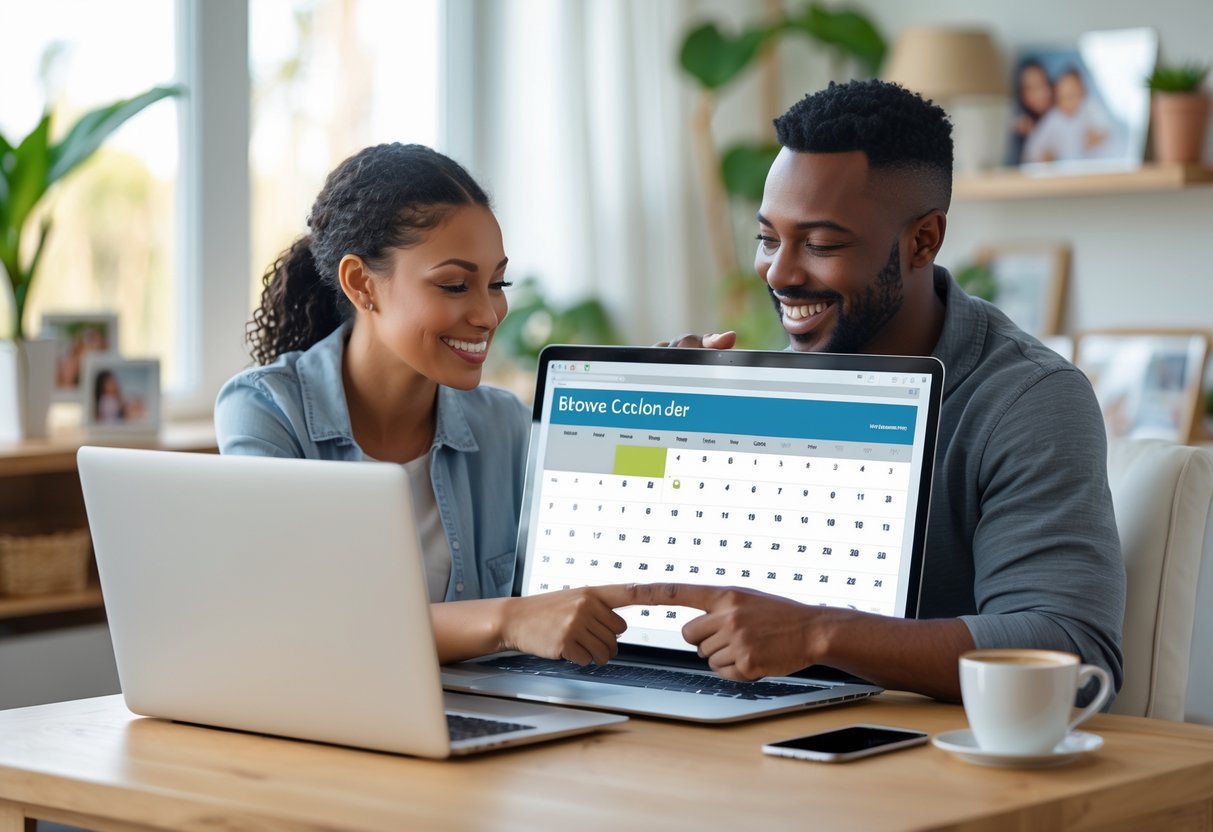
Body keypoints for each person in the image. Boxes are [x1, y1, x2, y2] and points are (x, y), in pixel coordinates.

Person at [640, 79, 1125, 703]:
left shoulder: (1027, 400)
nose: (780, 274)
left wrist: (817, 633)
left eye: (820, 244)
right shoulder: (772, 375)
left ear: (923, 240)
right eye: (767, 238)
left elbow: (1067, 650)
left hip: (900, 759)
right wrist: (676, 443)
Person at [214, 143, 634, 667]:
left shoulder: (503, 424)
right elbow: (300, 620)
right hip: (334, 726)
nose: (488, 314)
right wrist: (508, 621)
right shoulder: (267, 411)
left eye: (497, 283)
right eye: (455, 285)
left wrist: (666, 395)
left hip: (496, 719)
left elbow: (596, 567)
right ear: (362, 283)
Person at [1023, 67, 1114, 163]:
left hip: (1093, 166)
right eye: (1063, 97)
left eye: (1072, 95)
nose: (1069, 102)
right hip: (1064, 171)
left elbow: (1105, 129)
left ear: (1083, 92)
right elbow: (1034, 146)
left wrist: (1097, 136)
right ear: (1056, 98)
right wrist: (1044, 155)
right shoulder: (1054, 117)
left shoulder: (1089, 107)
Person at [1008, 59, 1053, 165]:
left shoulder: (1060, 115)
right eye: (1030, 88)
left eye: (1041, 85)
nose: (1039, 94)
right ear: (1021, 94)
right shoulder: (1020, 125)